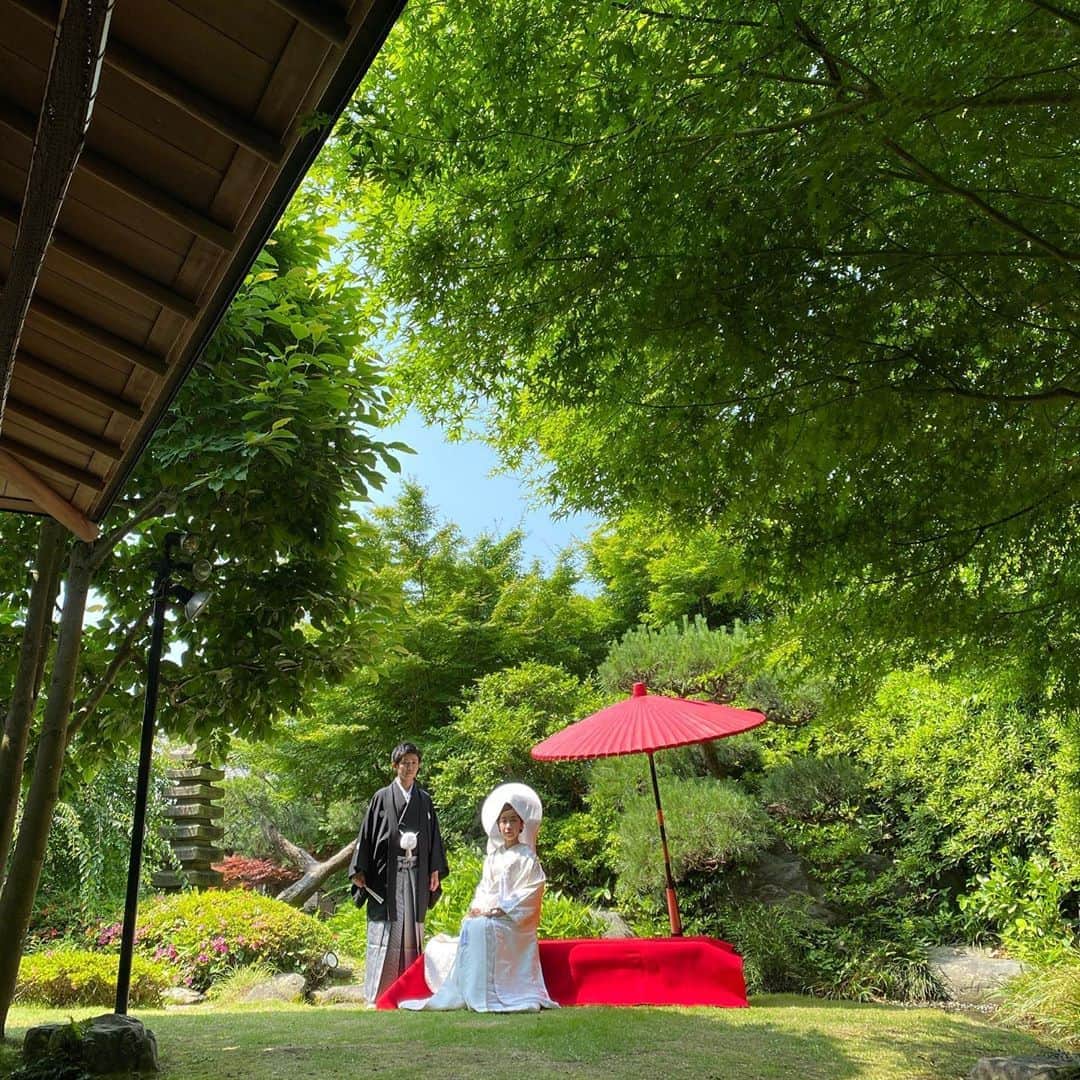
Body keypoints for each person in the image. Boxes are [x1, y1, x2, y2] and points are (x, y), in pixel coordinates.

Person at [399, 782, 558, 1012]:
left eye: (513, 820)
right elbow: (484, 889)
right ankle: (472, 992)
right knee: (472, 925)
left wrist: (503, 909)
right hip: (492, 915)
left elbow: (531, 891)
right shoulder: (493, 858)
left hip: (514, 923)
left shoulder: (527, 858)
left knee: (482, 928)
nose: (508, 826)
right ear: (497, 825)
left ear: (522, 824)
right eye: (504, 820)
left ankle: (493, 994)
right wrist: (479, 907)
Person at [350, 741, 449, 1005]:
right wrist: (359, 869)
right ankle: (379, 994)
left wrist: (435, 870)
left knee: (412, 931)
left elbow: (433, 839)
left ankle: (410, 990)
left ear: (418, 767)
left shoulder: (424, 800)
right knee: (384, 932)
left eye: (414, 763)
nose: (409, 767)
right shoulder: (381, 797)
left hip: (416, 873)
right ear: (395, 765)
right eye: (404, 762)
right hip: (387, 876)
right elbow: (367, 835)